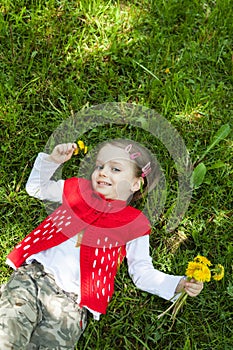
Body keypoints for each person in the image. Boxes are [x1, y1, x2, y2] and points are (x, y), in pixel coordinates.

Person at [0, 139, 203, 349]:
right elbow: (36, 188)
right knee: (6, 335)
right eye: (100, 166)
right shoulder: (78, 190)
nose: (103, 172)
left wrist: (178, 284)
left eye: (115, 168)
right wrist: (52, 161)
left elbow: (142, 272)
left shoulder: (135, 224)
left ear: (135, 184)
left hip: (72, 306)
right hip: (33, 278)